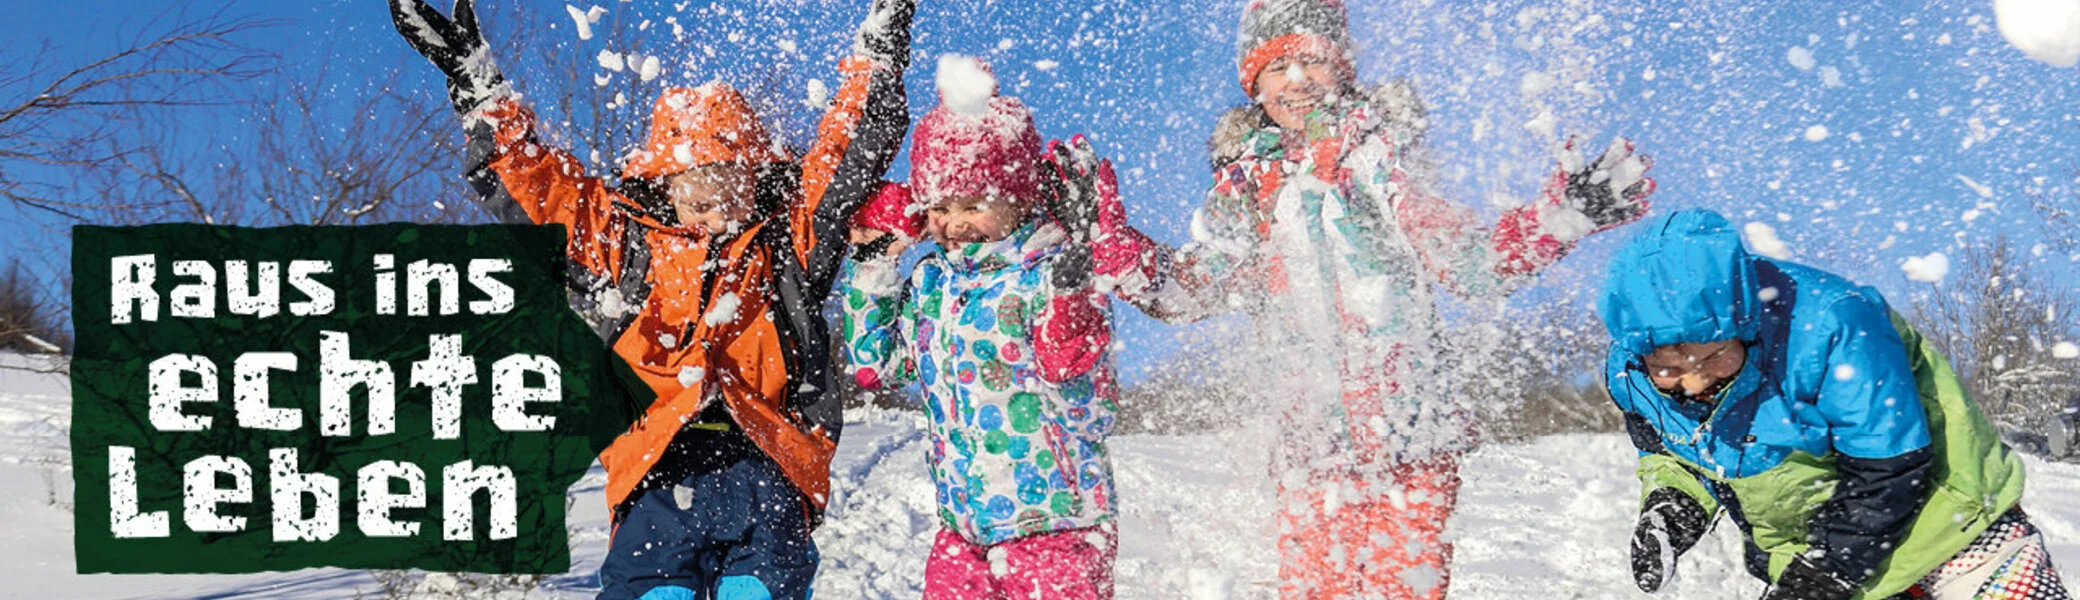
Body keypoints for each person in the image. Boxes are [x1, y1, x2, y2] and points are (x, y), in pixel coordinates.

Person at [1100, 0, 1657, 597]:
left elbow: (1468, 263)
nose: (1296, 79)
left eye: (1311, 60)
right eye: (1275, 66)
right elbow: (1192, 289)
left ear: (1340, 66)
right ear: (1252, 84)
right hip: (1309, 448)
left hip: (1412, 439)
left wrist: (1560, 218)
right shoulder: (1245, 189)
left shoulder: (1381, 158)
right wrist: (1115, 251)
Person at [388, 0, 916, 598]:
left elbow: (845, 155)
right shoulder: (627, 248)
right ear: (663, 187)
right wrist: (480, 90)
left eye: (731, 194)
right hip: (658, 469)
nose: (714, 213)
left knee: (765, 586)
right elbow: (544, 195)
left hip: (767, 464)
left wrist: (878, 56)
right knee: (649, 587)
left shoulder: (786, 245)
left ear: (756, 181)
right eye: (696, 196)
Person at [1601, 209, 2068, 600]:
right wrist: (1670, 509)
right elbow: (1679, 452)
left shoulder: (1831, 324)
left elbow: (1890, 468)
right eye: (1669, 369)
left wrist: (1823, 572)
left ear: (1744, 322)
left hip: (1953, 532)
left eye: (1716, 356)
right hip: (1811, 554)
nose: (1696, 381)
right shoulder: (1630, 376)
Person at [838, 57, 1164, 600]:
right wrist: (875, 262)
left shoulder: (1053, 273)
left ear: (1017, 199)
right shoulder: (931, 282)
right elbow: (876, 367)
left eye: (974, 205)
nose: (955, 222)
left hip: (1057, 526)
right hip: (962, 533)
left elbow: (1093, 412)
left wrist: (1071, 325)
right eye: (939, 207)